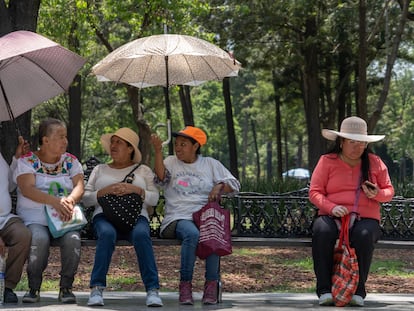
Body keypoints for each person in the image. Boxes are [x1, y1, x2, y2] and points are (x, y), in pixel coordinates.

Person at [309, 116, 394, 307]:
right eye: (352, 142)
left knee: (363, 235)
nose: (358, 147)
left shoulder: (375, 162)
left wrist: (377, 194)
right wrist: (331, 207)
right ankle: (324, 290)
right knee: (322, 231)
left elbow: (389, 192)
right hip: (331, 215)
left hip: (366, 218)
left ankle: (358, 291)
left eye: (362, 143)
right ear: (341, 142)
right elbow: (314, 192)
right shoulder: (327, 161)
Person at [151, 126, 240, 305]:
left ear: (195, 146)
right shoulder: (170, 161)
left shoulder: (210, 164)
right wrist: (158, 151)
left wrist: (219, 186)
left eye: (183, 144)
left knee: (212, 233)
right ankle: (185, 286)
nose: (178, 148)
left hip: (204, 217)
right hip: (176, 218)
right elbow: (161, 179)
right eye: (176, 144)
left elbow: (235, 185)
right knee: (192, 234)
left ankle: (211, 286)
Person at [82, 127, 163, 307]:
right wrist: (105, 191)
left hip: (136, 217)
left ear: (130, 149)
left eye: (119, 142)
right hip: (103, 216)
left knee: (142, 235)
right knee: (107, 234)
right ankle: (96, 288)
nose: (114, 145)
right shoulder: (99, 169)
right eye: (113, 141)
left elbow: (155, 199)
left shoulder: (143, 170)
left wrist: (135, 190)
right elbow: (86, 199)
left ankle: (152, 290)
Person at [13, 118, 84, 304]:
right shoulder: (27, 161)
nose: (65, 141)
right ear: (45, 140)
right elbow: (27, 188)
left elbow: (79, 185)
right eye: (61, 137)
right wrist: (55, 201)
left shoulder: (70, 161)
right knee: (39, 239)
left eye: (66, 137)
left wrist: (70, 200)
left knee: (73, 240)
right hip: (35, 218)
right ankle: (33, 287)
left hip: (64, 217)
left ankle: (66, 287)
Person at [0, 137, 31, 303]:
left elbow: (10, 185)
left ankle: (8, 287)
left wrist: (17, 158)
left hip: (4, 218)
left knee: (23, 235)